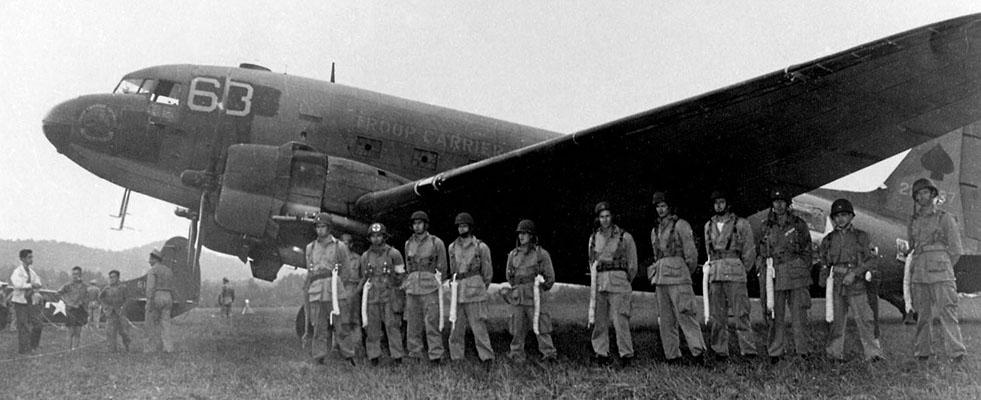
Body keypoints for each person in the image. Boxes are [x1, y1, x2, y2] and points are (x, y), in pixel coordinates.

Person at [907, 178, 966, 362]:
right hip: (920, 274)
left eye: (925, 192)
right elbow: (912, 246)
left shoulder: (945, 218)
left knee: (947, 313)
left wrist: (943, 266)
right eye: (918, 194)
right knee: (922, 316)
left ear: (933, 194)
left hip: (941, 274)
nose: (922, 196)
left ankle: (957, 354)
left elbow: (956, 250)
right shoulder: (913, 221)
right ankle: (922, 353)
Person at [818, 199, 883, 362]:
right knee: (836, 322)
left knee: (865, 320)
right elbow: (824, 261)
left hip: (857, 284)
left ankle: (873, 354)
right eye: (837, 216)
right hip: (837, 284)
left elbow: (871, 260)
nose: (840, 219)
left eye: (844, 215)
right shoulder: (828, 239)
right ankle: (833, 354)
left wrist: (854, 273)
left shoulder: (862, 237)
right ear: (833, 218)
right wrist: (824, 277)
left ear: (851, 216)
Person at [648, 192, 707, 365]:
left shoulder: (681, 225)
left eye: (663, 206)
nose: (660, 210)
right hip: (661, 279)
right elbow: (656, 254)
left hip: (679, 277)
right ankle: (672, 356)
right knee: (666, 320)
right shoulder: (655, 230)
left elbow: (691, 254)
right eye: (658, 207)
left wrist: (683, 272)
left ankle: (698, 354)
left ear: (670, 207)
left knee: (686, 315)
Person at [757, 188, 813, 364]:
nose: (779, 205)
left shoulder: (799, 224)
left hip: (795, 274)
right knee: (775, 315)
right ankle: (775, 351)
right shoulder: (766, 226)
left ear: (788, 204)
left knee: (799, 315)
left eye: (782, 202)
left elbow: (807, 251)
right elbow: (761, 251)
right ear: (772, 204)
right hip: (774, 274)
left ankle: (802, 351)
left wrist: (802, 269)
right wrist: (763, 271)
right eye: (775, 201)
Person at [703, 190, 758, 360]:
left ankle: (748, 351)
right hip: (717, 273)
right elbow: (709, 252)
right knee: (718, 315)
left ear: (728, 204)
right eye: (716, 203)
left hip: (735, 273)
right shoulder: (708, 226)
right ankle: (720, 350)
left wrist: (741, 269)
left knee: (741, 314)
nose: (718, 205)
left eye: (722, 202)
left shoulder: (741, 224)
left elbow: (749, 252)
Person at [305, 212, 358, 365]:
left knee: (342, 325)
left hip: (334, 289)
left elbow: (346, 271)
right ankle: (319, 357)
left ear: (329, 228)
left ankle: (348, 356)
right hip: (317, 290)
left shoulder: (339, 246)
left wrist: (336, 284)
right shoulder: (310, 248)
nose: (320, 230)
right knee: (319, 327)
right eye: (317, 227)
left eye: (323, 227)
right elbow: (310, 271)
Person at [588, 202, 637, 365]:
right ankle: (601, 353)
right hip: (600, 283)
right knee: (600, 321)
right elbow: (591, 262)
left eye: (607, 216)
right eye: (601, 217)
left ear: (612, 217)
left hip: (619, 284)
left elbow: (632, 265)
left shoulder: (625, 237)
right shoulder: (594, 238)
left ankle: (626, 355)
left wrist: (624, 281)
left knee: (620, 320)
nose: (605, 220)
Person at [504, 219, 557, 363]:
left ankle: (549, 354)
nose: (521, 236)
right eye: (520, 233)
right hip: (518, 296)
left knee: (541, 326)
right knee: (517, 327)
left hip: (534, 295)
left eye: (525, 233)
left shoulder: (541, 254)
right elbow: (509, 276)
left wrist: (539, 288)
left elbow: (550, 277)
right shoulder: (513, 255)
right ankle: (516, 354)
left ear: (532, 235)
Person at [447, 212, 495, 364]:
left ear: (471, 227)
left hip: (475, 292)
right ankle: (456, 358)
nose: (462, 229)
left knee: (479, 328)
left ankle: (487, 358)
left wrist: (479, 287)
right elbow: (453, 269)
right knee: (456, 328)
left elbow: (487, 273)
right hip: (458, 291)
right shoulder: (452, 247)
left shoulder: (481, 247)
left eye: (464, 226)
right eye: (459, 226)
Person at [403, 210, 448, 364]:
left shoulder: (436, 243)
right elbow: (409, 266)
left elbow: (442, 268)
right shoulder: (408, 244)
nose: (417, 226)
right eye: (414, 224)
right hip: (413, 288)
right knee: (413, 323)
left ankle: (435, 355)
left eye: (419, 223)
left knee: (432, 323)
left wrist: (435, 283)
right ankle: (414, 353)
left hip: (430, 288)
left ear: (426, 225)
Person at [359, 222, 407, 366]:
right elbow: (364, 277)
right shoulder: (365, 256)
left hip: (389, 296)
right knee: (372, 329)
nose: (376, 239)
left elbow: (401, 276)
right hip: (373, 296)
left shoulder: (394, 254)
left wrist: (397, 293)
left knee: (392, 327)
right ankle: (374, 357)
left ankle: (397, 357)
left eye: (379, 236)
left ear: (384, 237)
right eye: (373, 236)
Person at [10, 249, 43, 354]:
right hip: (20, 302)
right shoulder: (17, 272)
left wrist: (35, 285)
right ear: (22, 259)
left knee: (38, 324)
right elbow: (17, 284)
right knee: (23, 325)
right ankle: (24, 349)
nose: (31, 259)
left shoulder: (32, 272)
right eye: (29, 257)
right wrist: (30, 285)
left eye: (32, 257)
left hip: (31, 301)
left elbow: (38, 282)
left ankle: (33, 345)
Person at [144, 249, 176, 353]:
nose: (149, 261)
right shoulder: (168, 270)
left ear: (154, 259)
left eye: (150, 259)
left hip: (157, 296)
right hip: (168, 296)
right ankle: (168, 348)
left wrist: (149, 301)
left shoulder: (153, 270)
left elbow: (150, 288)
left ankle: (150, 349)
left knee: (150, 324)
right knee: (166, 324)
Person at [340, 233, 364, 355]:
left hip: (353, 290)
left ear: (351, 244)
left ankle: (357, 347)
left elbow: (363, 276)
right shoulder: (338, 260)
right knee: (342, 320)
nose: (345, 245)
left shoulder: (358, 259)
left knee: (355, 320)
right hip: (342, 290)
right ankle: (342, 349)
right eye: (342, 243)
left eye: (347, 243)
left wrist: (358, 289)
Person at [57, 266, 89, 350]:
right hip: (71, 309)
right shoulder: (68, 285)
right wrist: (67, 301)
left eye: (77, 274)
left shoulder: (84, 286)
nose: (75, 276)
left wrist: (85, 305)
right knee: (71, 331)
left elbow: (86, 297)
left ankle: (76, 348)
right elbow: (59, 293)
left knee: (78, 331)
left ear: (80, 275)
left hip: (81, 309)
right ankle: (69, 349)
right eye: (73, 274)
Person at [99, 270, 131, 352]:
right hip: (111, 312)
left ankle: (126, 346)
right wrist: (105, 307)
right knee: (110, 331)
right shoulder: (107, 289)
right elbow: (100, 298)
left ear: (118, 277)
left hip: (121, 312)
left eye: (114, 277)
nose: (112, 279)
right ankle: (111, 348)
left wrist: (123, 307)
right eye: (110, 277)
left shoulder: (123, 288)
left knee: (124, 331)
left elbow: (127, 299)